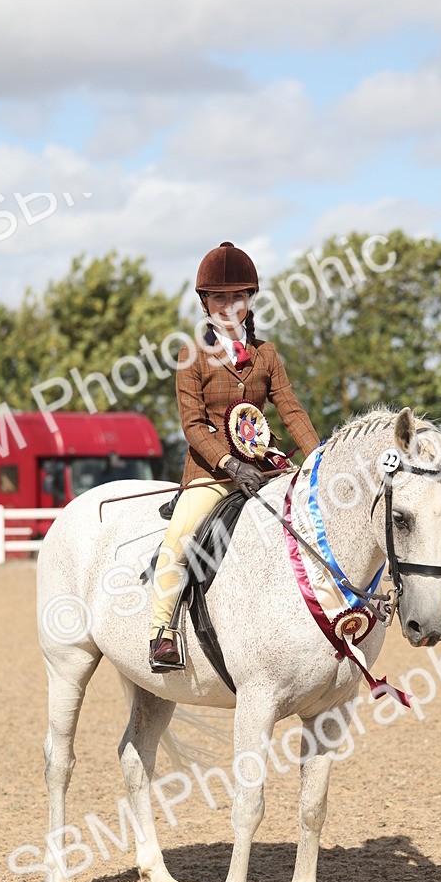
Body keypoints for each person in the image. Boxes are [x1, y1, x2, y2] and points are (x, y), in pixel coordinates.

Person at [149, 241, 321, 669]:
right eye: (219, 298)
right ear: (205, 302)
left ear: (250, 300)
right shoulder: (191, 354)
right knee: (180, 539)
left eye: (237, 297)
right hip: (212, 472)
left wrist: (319, 459)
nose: (229, 306)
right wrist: (229, 464)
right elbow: (191, 425)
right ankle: (163, 631)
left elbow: (289, 406)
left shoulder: (266, 353)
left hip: (264, 465)